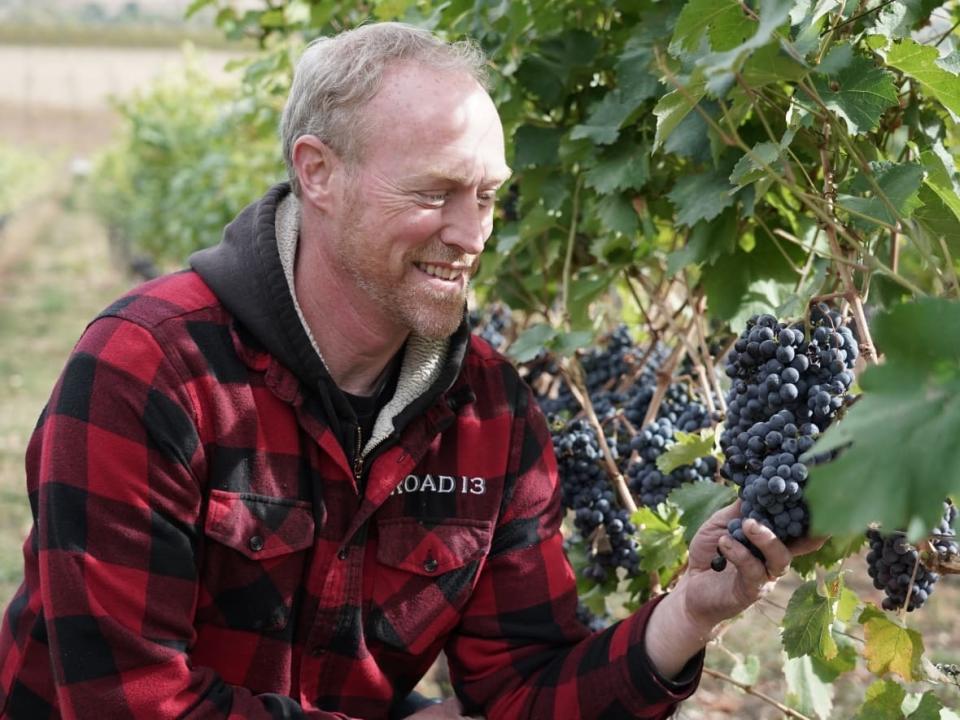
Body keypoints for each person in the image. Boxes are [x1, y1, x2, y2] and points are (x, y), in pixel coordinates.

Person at [0, 22, 820, 720]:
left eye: (489, 197)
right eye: (436, 193)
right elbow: (130, 702)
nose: (471, 234)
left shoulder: (490, 413)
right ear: (317, 172)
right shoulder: (146, 372)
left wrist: (683, 618)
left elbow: (519, 689)